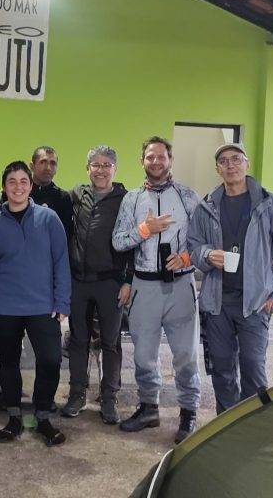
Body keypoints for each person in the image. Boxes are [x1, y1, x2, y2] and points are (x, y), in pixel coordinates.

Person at [187, 142, 273, 413]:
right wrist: (207, 255)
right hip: (217, 303)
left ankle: (253, 423)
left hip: (255, 303)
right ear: (218, 169)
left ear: (246, 163)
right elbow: (193, 247)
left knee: (253, 368)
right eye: (224, 161)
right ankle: (227, 423)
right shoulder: (207, 206)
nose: (231, 165)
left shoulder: (268, 204)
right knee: (222, 369)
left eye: (236, 159)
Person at [113, 136, 201, 444]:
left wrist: (187, 257)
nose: (155, 162)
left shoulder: (188, 197)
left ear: (170, 160)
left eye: (161, 156)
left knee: (186, 354)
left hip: (180, 286)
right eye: (150, 157)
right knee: (143, 355)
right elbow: (118, 242)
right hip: (145, 286)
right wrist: (144, 230)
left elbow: (207, 240)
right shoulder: (132, 199)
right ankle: (149, 407)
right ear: (142, 161)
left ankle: (189, 412)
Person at [0, 161, 71, 445]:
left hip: (43, 306)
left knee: (51, 360)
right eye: (12, 182)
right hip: (6, 308)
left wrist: (62, 301)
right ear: (4, 188)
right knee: (9, 362)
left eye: (23, 181)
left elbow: (61, 262)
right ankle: (14, 417)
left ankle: (43, 416)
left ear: (30, 186)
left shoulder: (49, 219)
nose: (18, 187)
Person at [61, 146, 133, 424]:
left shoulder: (125, 199)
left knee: (111, 342)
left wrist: (127, 281)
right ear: (87, 168)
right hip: (79, 281)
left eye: (106, 165)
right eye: (96, 165)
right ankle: (77, 393)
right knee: (78, 340)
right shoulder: (77, 195)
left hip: (110, 282)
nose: (101, 170)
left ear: (115, 169)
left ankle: (109, 397)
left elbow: (133, 244)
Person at [29, 146, 73, 240]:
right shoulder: (20, 194)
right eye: (43, 162)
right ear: (32, 166)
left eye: (53, 163)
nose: (48, 168)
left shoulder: (63, 198)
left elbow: (66, 236)